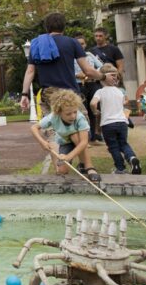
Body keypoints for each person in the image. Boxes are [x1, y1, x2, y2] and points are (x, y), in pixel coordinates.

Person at [19, 13, 105, 169]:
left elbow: (30, 71)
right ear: (64, 27)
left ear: (47, 27)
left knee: (53, 132)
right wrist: (103, 76)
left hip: (48, 94)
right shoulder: (72, 43)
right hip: (68, 96)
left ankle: (59, 167)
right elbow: (87, 70)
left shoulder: (37, 44)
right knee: (79, 128)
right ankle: (85, 165)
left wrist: (24, 94)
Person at [30, 89, 97, 178]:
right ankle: (79, 165)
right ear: (58, 112)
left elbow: (84, 143)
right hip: (65, 142)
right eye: (68, 114)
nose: (73, 116)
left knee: (74, 135)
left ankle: (88, 167)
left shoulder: (80, 118)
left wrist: (68, 156)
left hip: (80, 139)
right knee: (62, 171)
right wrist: (42, 142)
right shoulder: (53, 116)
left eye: (75, 112)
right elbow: (34, 128)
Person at [90, 64, 142, 175]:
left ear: (101, 78)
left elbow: (93, 103)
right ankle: (132, 158)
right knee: (123, 144)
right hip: (122, 122)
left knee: (113, 146)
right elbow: (123, 103)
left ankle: (120, 168)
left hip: (108, 124)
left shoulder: (100, 92)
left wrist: (95, 111)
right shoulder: (120, 92)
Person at [74, 34, 104, 143]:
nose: (80, 46)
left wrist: (93, 72)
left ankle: (95, 134)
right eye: (78, 44)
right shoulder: (71, 56)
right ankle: (85, 136)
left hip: (92, 84)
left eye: (82, 44)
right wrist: (77, 74)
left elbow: (101, 66)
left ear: (85, 44)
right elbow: (67, 71)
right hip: (79, 85)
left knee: (94, 108)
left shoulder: (89, 55)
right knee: (83, 111)